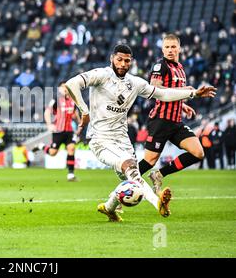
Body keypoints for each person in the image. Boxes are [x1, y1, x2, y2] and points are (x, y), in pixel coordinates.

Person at [65, 44, 216, 222]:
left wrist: (193, 94)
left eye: (126, 61)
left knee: (131, 179)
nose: (122, 64)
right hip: (100, 139)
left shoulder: (135, 83)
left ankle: (108, 208)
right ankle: (157, 202)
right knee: (131, 168)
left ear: (131, 62)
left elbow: (162, 94)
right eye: (119, 59)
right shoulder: (101, 75)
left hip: (122, 139)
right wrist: (84, 111)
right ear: (112, 58)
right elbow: (71, 84)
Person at [138, 34, 211, 193]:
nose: (170, 50)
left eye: (173, 47)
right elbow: (155, 90)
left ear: (179, 48)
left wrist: (182, 104)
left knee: (198, 152)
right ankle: (121, 192)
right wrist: (185, 91)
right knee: (149, 161)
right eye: (167, 47)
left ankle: (159, 174)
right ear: (162, 49)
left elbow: (173, 94)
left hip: (176, 121)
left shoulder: (180, 68)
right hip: (161, 120)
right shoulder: (160, 66)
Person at [33, 82, 82, 182]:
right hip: (58, 131)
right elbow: (47, 111)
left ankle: (71, 174)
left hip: (69, 131)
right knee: (52, 153)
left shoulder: (73, 100)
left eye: (66, 87)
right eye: (62, 87)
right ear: (59, 89)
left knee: (71, 149)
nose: (64, 89)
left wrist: (80, 124)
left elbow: (76, 113)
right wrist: (49, 124)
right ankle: (41, 146)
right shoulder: (55, 100)